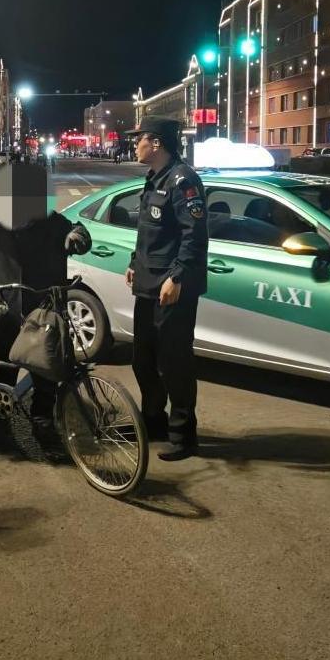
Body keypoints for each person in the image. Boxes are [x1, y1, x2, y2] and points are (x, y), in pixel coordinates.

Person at [0, 165, 91, 433]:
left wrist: (77, 236)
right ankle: (0, 415)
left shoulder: (52, 223)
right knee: (2, 366)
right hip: (5, 310)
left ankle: (42, 417)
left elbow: (78, 232)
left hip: (43, 309)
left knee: (44, 366)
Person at [124, 116, 208, 461]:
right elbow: (149, 231)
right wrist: (134, 262)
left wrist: (177, 277)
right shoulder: (153, 178)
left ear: (156, 142)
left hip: (172, 287)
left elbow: (194, 236)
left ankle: (183, 436)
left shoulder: (182, 180)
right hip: (148, 283)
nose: (135, 144)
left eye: (139, 139)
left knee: (174, 362)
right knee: (142, 360)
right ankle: (153, 422)